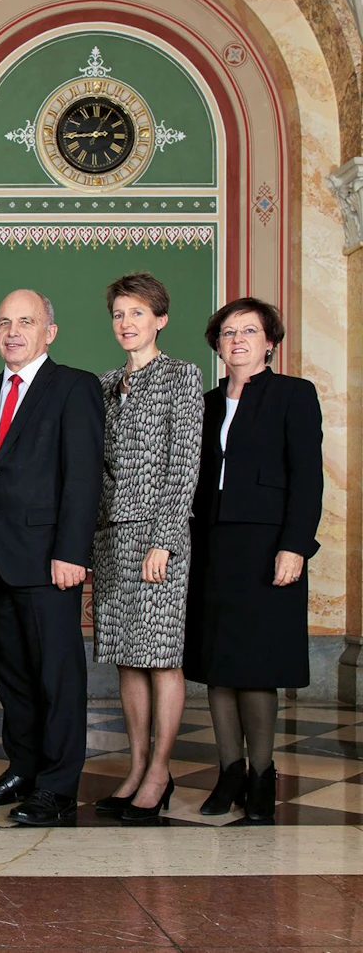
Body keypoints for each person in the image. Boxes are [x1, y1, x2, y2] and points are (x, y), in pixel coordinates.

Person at [0, 289, 104, 826]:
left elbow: (84, 476)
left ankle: (58, 786)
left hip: (48, 560)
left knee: (57, 675)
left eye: (25, 321)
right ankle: (22, 767)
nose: (13, 332)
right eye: (4, 322)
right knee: (12, 674)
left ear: (51, 330)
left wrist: (72, 552)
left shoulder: (74, 387)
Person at [185, 298, 323, 824]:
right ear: (217, 344)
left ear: (270, 341)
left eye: (249, 331)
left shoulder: (294, 395)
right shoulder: (206, 402)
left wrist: (296, 545)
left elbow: (308, 478)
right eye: (227, 332)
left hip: (268, 547)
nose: (237, 339)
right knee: (218, 666)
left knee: (257, 666)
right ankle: (230, 772)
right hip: (213, 543)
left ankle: (263, 775)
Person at [92, 273, 203, 822]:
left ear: (160, 319)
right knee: (125, 659)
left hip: (159, 536)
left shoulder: (182, 376)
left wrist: (164, 538)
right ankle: (134, 767)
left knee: (160, 657)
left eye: (136, 313)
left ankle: (160, 771)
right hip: (112, 536)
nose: (126, 323)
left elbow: (184, 463)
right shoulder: (106, 382)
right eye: (118, 314)